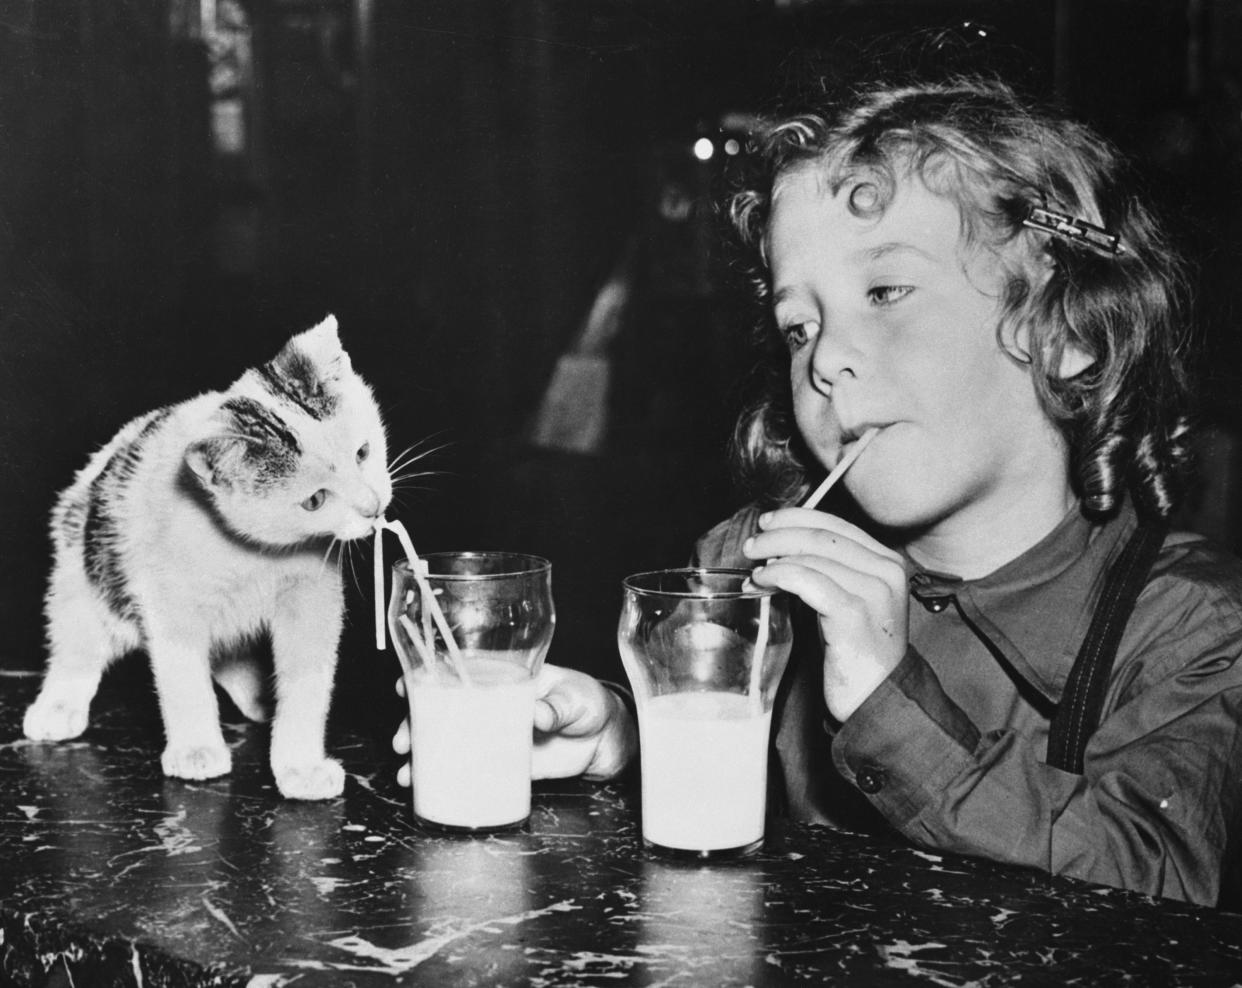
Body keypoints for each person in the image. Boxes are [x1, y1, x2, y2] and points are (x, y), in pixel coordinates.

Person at [394, 75, 1242, 907]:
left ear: (1065, 335)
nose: (826, 356)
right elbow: (716, 775)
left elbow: (1157, 884)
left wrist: (887, 694)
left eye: (886, 292)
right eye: (800, 325)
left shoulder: (1190, 627)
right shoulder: (754, 571)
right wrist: (618, 736)